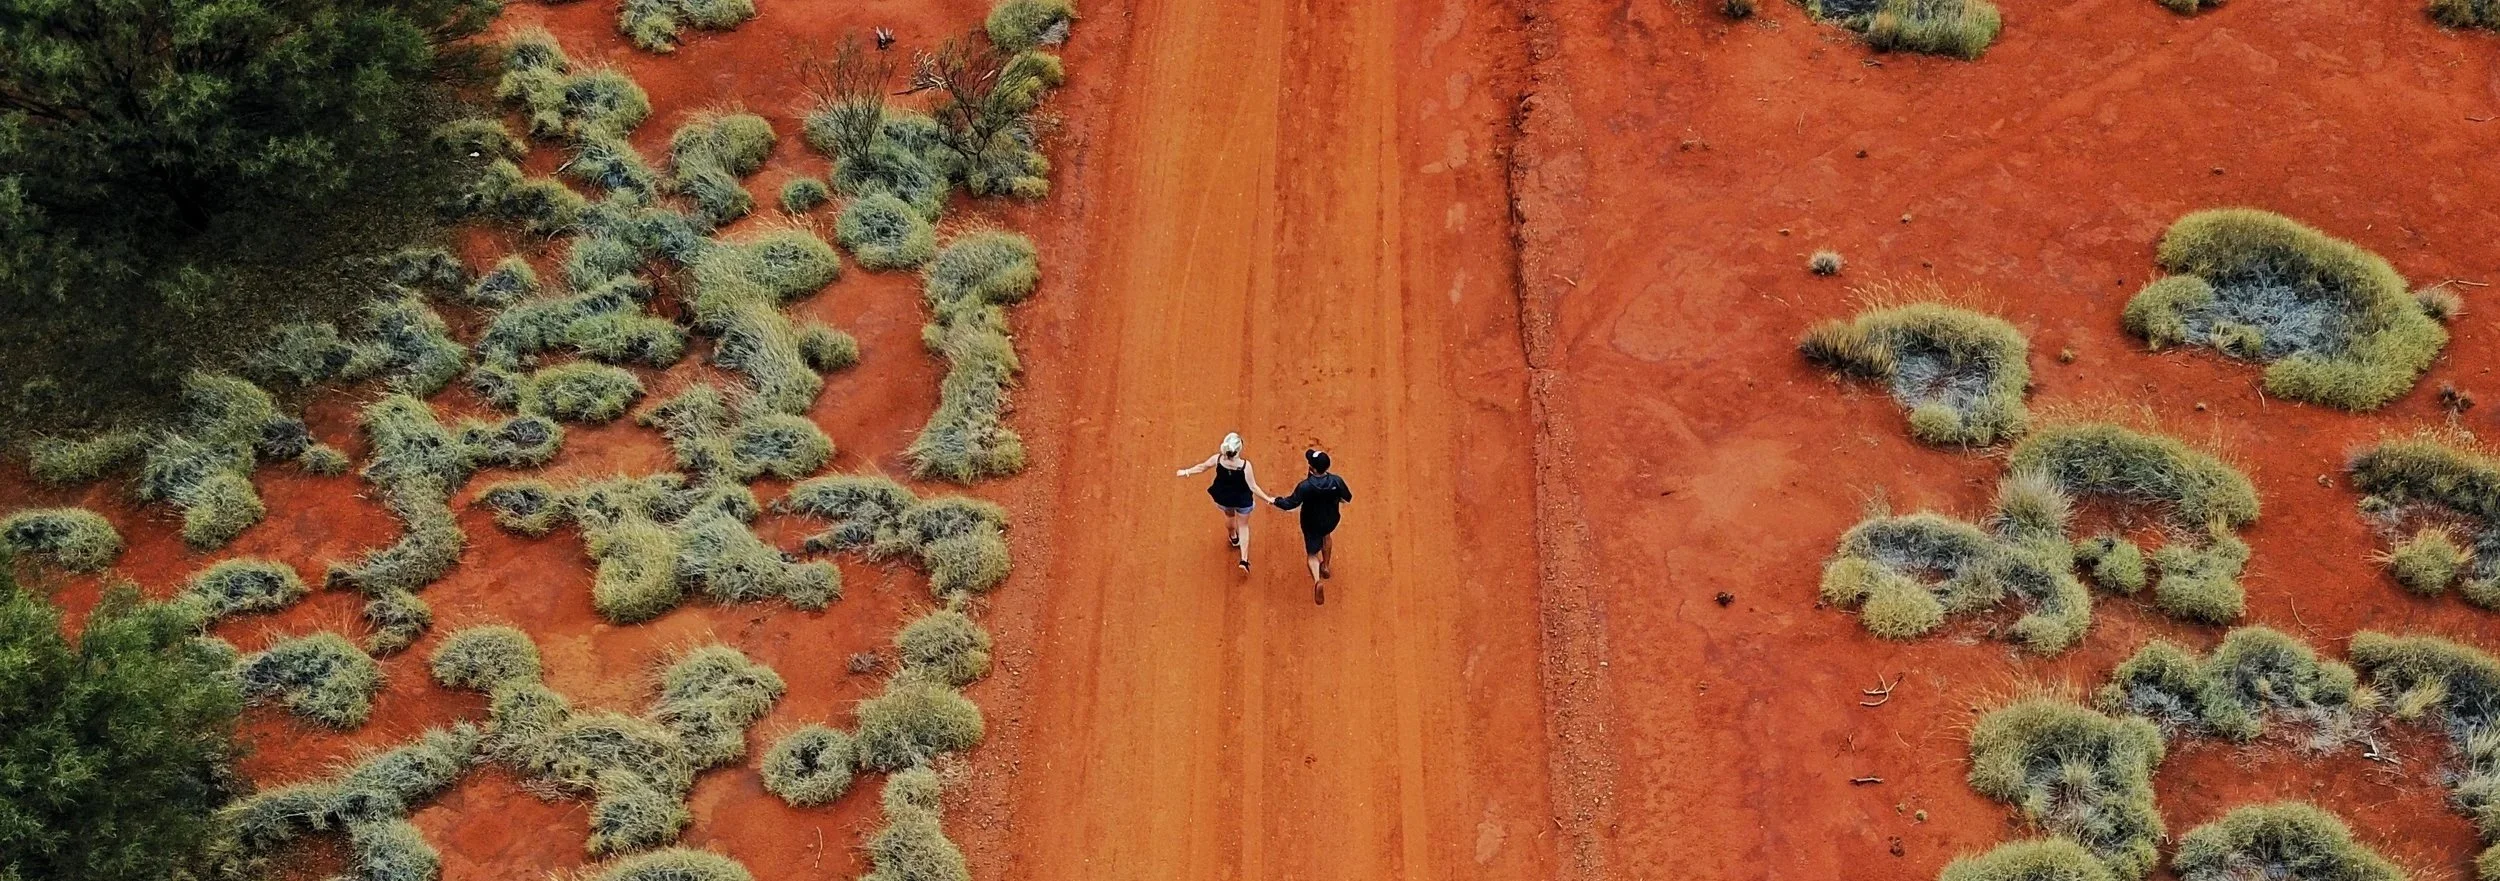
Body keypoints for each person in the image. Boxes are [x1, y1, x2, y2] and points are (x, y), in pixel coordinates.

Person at [1175, 433, 1272, 572]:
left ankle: (1233, 537)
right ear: (1238, 449)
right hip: (1242, 499)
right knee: (1243, 525)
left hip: (1225, 497)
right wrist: (1268, 499)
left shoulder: (1219, 459)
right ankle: (1244, 560)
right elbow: (1253, 487)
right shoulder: (1245, 466)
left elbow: (1202, 467)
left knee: (1229, 516)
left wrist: (1186, 472)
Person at [1270, 448, 1352, 605]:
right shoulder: (1336, 481)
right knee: (1327, 536)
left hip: (1311, 523)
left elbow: (1290, 504)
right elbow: (1347, 497)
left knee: (1312, 554)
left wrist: (1276, 501)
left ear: (1312, 469)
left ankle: (1317, 580)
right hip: (1330, 519)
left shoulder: (1305, 486)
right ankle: (1326, 566)